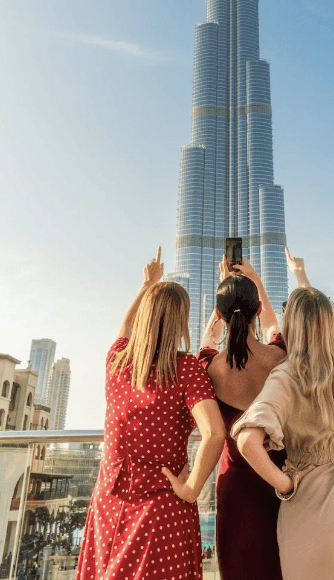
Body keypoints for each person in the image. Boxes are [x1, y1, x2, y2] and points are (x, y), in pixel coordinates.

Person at [232, 266, 334, 580]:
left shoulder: (285, 376)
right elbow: (313, 317)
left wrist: (284, 484)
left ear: (292, 324)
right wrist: (301, 279)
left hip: (313, 518)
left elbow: (247, 441)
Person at [76, 247, 225, 580]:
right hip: (162, 511)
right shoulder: (185, 370)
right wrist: (191, 489)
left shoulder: (116, 360)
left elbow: (126, 325)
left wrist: (147, 284)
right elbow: (215, 432)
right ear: (181, 322)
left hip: (108, 503)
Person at [174, 248, 306, 580]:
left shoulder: (207, 364)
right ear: (257, 309)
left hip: (234, 489)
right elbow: (273, 324)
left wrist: (223, 295)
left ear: (219, 314)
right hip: (280, 482)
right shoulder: (279, 356)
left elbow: (209, 337)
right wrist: (257, 280)